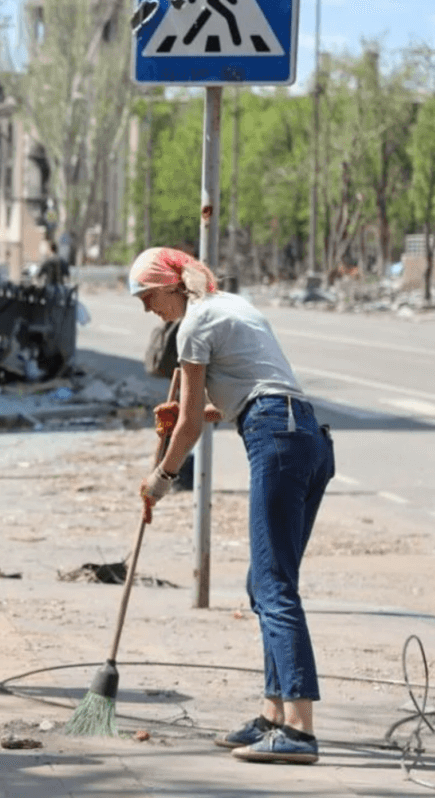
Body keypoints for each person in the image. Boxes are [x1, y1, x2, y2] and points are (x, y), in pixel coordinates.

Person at [130, 246, 334, 765]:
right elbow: (252, 386)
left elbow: (190, 425)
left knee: (273, 585)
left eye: (148, 296)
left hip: (278, 437)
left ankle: (300, 730)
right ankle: (272, 713)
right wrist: (212, 409)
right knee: (263, 581)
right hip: (304, 434)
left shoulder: (195, 324)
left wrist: (161, 477)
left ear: (171, 287)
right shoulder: (231, 306)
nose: (147, 309)